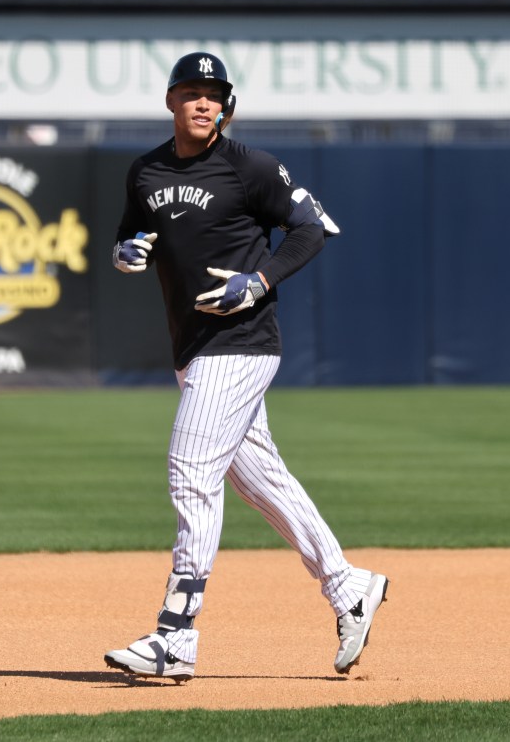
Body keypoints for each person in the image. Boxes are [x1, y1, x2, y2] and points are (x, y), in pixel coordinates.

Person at [103, 52, 388, 682]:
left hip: (243, 342)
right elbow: (134, 238)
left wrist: (258, 282)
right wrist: (126, 252)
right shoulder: (145, 171)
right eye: (192, 92)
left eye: (215, 94)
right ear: (171, 100)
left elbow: (314, 228)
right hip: (193, 346)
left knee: (190, 473)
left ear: (225, 106)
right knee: (262, 482)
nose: (204, 103)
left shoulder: (250, 167)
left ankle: (175, 637)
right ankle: (349, 587)